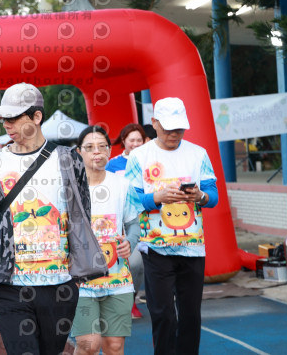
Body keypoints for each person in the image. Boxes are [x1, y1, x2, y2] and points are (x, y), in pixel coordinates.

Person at [0, 83, 109, 355]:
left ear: (37, 116)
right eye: (3, 118)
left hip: (59, 285)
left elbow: (82, 217)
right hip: (8, 286)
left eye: (13, 117)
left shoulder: (68, 160)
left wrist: (78, 271)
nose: (6, 124)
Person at [125, 97, 219, 355]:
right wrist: (157, 197)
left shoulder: (198, 153)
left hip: (192, 247)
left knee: (191, 314)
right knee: (163, 314)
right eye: (168, 128)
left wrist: (200, 196)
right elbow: (130, 201)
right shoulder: (139, 156)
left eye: (179, 128)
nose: (174, 134)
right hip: (155, 248)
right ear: (154, 123)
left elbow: (213, 195)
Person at [71, 126, 143, 355]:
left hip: (117, 279)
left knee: (114, 345)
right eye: (90, 147)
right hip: (81, 282)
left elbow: (134, 224)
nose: (97, 152)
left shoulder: (122, 185)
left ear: (110, 151)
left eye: (102, 146)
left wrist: (130, 242)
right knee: (88, 345)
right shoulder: (69, 189)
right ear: (79, 152)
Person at [105, 123, 147, 319]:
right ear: (124, 141)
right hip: (124, 222)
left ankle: (132, 299)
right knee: (132, 262)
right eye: (132, 140)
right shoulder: (113, 164)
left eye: (139, 140)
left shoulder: (151, 162)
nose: (136, 143)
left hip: (151, 220)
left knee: (141, 266)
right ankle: (122, 302)